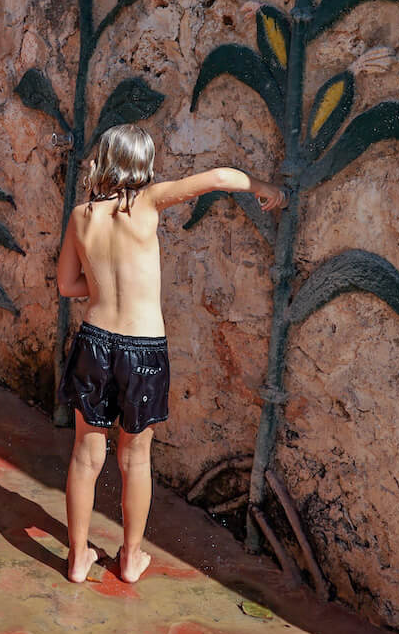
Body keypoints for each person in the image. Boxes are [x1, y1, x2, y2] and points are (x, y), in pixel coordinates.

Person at [56, 123, 286, 585]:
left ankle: (79, 558)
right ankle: (130, 557)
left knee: (85, 454)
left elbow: (66, 286)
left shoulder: (81, 215)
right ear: (143, 165)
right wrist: (266, 188)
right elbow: (220, 177)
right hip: (142, 349)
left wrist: (102, 286)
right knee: (135, 457)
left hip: (95, 340)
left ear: (103, 160)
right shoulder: (148, 201)